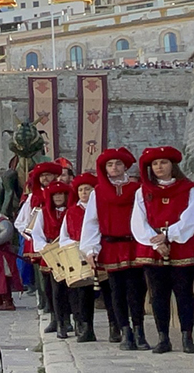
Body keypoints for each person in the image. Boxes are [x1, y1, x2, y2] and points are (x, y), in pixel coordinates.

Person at [80, 147, 149, 351]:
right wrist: (90, 248)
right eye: (110, 165)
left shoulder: (137, 188)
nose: (114, 168)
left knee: (137, 289)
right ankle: (125, 331)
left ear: (125, 166)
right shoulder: (98, 192)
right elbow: (91, 221)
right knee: (116, 291)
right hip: (110, 246)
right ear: (105, 168)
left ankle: (139, 330)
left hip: (134, 244)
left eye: (118, 164)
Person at [131, 146, 194, 353]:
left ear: (172, 165)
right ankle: (163, 338)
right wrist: (157, 242)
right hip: (153, 248)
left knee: (184, 293)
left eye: (163, 162)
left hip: (182, 245)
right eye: (155, 164)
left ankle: (187, 336)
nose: (159, 167)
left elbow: (190, 217)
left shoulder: (188, 188)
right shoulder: (143, 191)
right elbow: (139, 221)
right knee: (158, 294)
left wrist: (169, 235)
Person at [60, 173, 119, 343]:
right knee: (84, 294)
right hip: (81, 259)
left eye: (88, 189)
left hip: (103, 255)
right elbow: (64, 236)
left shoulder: (103, 206)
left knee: (109, 292)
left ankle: (114, 327)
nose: (84, 192)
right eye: (81, 189)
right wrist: (77, 245)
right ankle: (87, 328)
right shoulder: (71, 212)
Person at [14, 161, 62, 330]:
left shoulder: (63, 193)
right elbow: (22, 222)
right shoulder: (33, 198)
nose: (46, 178)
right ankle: (54, 316)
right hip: (43, 244)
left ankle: (71, 319)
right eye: (42, 175)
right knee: (47, 282)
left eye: (48, 174)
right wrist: (31, 237)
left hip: (63, 244)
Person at [32, 181, 72, 339]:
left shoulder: (71, 211)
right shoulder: (43, 213)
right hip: (51, 254)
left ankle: (71, 319)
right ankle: (59, 321)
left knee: (71, 289)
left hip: (68, 253)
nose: (58, 197)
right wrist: (45, 248)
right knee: (54, 290)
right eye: (55, 194)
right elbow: (37, 234)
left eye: (61, 194)